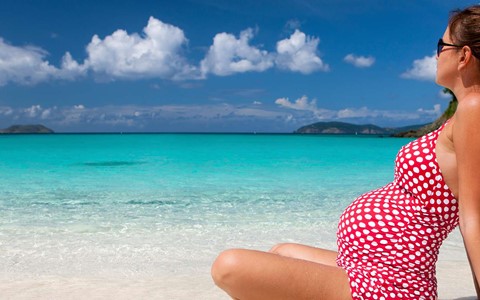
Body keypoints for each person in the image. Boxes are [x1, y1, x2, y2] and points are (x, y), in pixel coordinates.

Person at [210, 5, 480, 299]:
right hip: (369, 266)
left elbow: (473, 218)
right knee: (281, 252)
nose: (436, 53)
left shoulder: (473, 107)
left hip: (391, 283)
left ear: (463, 55)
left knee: (229, 265)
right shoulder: (464, 117)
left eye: (442, 45)